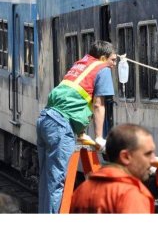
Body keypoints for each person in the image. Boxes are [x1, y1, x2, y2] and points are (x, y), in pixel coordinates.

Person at [36, 40, 117, 213]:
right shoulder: (102, 69)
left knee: (46, 180)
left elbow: (73, 99)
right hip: (60, 126)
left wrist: (79, 133)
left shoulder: (81, 64)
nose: (114, 65)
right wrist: (98, 137)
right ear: (103, 58)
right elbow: (98, 104)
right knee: (57, 181)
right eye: (113, 60)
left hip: (45, 119)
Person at [70, 123, 156, 213]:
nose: (153, 160)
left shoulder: (82, 190)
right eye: (148, 154)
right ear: (125, 157)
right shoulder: (131, 195)